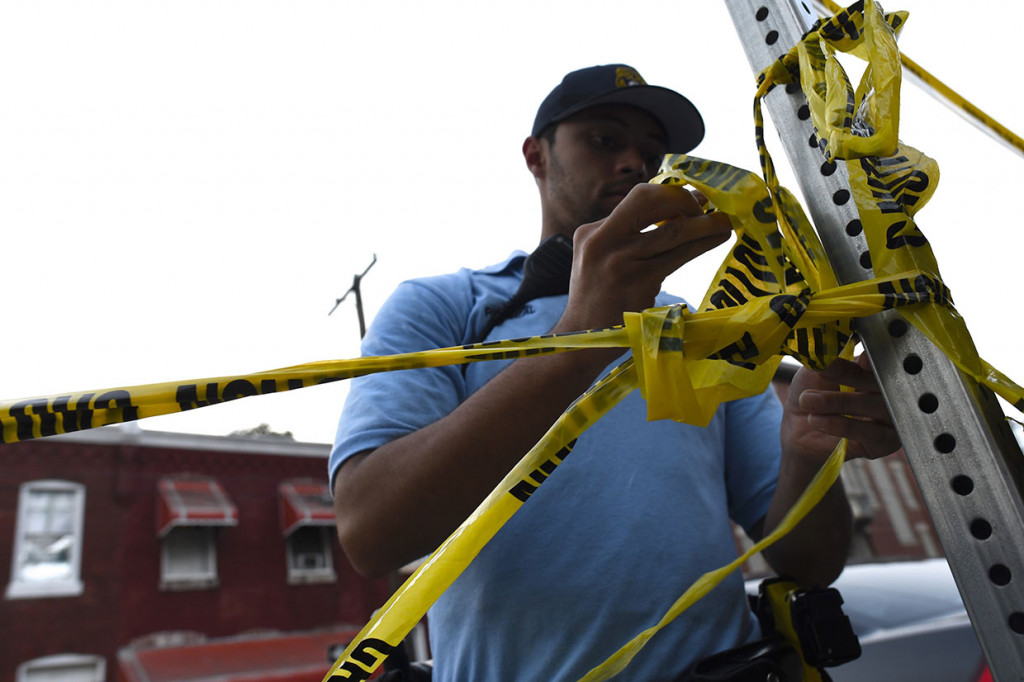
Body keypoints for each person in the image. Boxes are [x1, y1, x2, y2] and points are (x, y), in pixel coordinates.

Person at [330, 64, 902, 681]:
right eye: (604, 140)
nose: (635, 163)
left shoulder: (703, 327)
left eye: (653, 154)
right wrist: (583, 336)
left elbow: (808, 560)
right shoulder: (445, 306)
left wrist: (808, 452)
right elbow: (371, 532)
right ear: (536, 156)